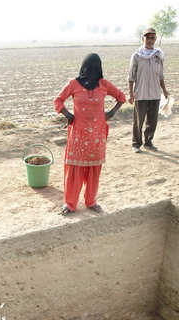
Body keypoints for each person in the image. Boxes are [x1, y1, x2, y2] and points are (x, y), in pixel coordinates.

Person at [54, 53, 126, 215]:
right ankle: (70, 204)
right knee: (75, 168)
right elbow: (58, 101)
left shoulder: (103, 85)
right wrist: (68, 115)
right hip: (78, 134)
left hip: (97, 136)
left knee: (94, 168)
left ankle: (91, 201)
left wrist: (111, 113)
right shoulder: (73, 84)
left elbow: (121, 97)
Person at [128, 27, 170, 153]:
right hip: (140, 93)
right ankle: (136, 144)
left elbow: (161, 75)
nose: (150, 40)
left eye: (153, 37)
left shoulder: (158, 55)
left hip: (155, 93)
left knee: (152, 121)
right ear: (143, 38)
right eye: (148, 37)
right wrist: (130, 93)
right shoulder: (137, 56)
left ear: (155, 39)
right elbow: (131, 76)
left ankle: (148, 142)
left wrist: (164, 90)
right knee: (138, 121)